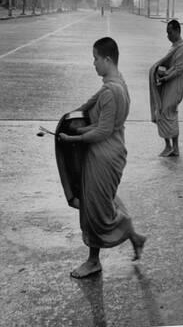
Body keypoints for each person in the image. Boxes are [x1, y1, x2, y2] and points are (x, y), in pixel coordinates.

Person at [59, 37, 146, 278]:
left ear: (107, 59)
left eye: (96, 58)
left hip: (104, 156)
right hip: (110, 151)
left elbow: (102, 131)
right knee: (96, 203)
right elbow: (90, 105)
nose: (93, 63)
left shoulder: (112, 91)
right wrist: (70, 120)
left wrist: (72, 138)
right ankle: (133, 238)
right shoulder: (116, 83)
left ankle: (96, 259)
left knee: (95, 210)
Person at [149, 19, 183, 157]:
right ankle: (172, 147)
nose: (168, 36)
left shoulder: (182, 48)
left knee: (167, 113)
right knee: (163, 111)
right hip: (168, 83)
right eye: (167, 33)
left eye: (170, 32)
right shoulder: (174, 47)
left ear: (177, 31)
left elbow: (178, 69)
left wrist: (165, 77)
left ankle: (171, 147)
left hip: (175, 85)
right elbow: (170, 66)